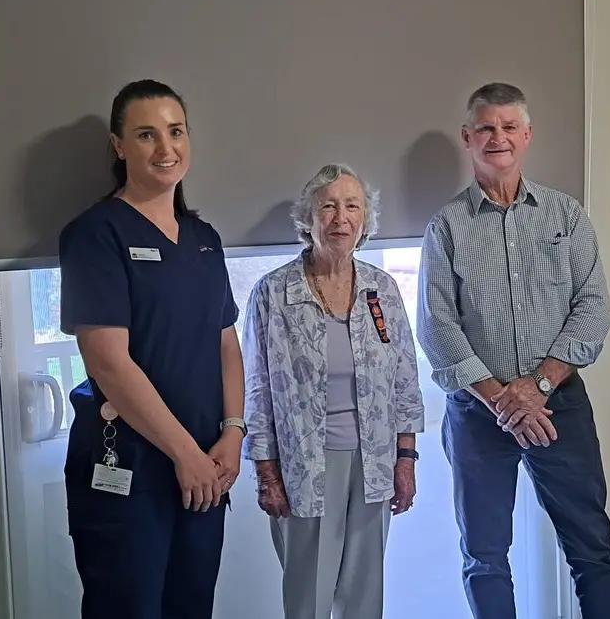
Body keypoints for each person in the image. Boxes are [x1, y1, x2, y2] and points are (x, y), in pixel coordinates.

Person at [416, 82, 610, 619]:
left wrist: (537, 387)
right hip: (478, 413)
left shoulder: (566, 215)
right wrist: (503, 401)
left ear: (527, 135)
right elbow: (437, 327)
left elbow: (594, 307)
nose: (498, 137)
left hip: (559, 404)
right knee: (484, 557)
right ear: (468, 137)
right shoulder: (445, 227)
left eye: (509, 127)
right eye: (486, 127)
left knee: (593, 550)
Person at [57, 79, 246, 619]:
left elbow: (226, 343)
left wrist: (233, 433)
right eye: (146, 134)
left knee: (192, 605)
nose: (166, 148)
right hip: (132, 467)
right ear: (119, 146)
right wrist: (186, 455)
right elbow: (108, 362)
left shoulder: (204, 238)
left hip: (206, 466)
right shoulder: (95, 235)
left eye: (176, 131)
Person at [241, 163, 425, 619]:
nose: (340, 217)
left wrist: (406, 460)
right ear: (309, 218)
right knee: (309, 596)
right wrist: (266, 473)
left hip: (375, 464)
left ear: (365, 220)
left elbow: (405, 379)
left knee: (364, 595)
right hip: (302, 467)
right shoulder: (274, 293)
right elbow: (257, 390)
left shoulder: (382, 290)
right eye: (328, 206)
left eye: (352, 206)